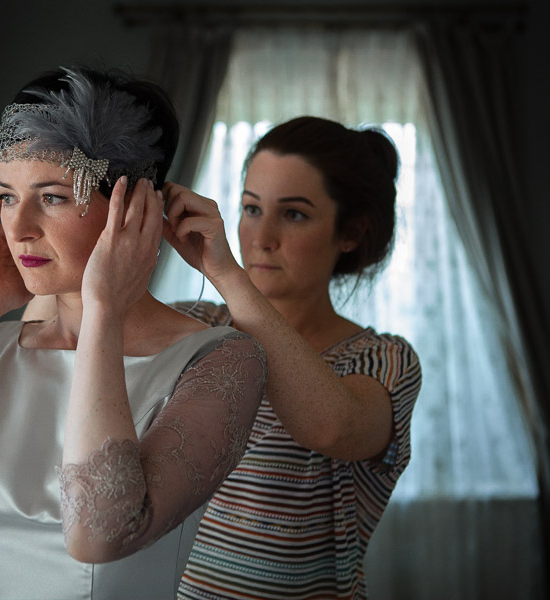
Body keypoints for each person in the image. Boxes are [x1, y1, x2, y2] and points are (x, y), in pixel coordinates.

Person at [0, 66, 267, 600]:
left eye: (53, 196)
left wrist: (103, 310)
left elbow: (97, 534)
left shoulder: (223, 361)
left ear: (135, 209)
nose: (19, 227)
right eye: (7, 196)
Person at [154, 116, 422, 599]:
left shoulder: (382, 360)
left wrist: (228, 275)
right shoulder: (196, 326)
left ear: (350, 233)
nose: (261, 237)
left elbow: (330, 426)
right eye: (251, 208)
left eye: (294, 214)